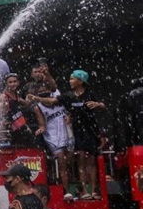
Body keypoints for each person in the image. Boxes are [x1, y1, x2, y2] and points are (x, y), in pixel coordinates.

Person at [30, 69, 107, 199]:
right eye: (70, 78)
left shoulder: (89, 94)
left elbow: (104, 107)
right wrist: (36, 98)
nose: (70, 81)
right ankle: (83, 190)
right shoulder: (68, 95)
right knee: (80, 160)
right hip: (76, 131)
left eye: (72, 79)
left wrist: (98, 104)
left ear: (81, 81)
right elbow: (53, 102)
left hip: (90, 129)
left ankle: (94, 190)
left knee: (91, 161)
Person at [32, 84, 75, 201]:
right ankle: (66, 191)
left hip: (67, 132)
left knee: (69, 163)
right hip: (53, 136)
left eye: (46, 90)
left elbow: (71, 111)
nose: (44, 92)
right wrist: (41, 129)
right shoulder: (38, 107)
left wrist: (70, 116)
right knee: (62, 161)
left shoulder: (59, 99)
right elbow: (42, 124)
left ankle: (71, 187)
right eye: (41, 91)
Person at [0, 73, 44, 147]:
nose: (13, 84)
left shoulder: (16, 95)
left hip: (22, 128)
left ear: (18, 83)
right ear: (6, 84)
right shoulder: (4, 97)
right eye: (10, 82)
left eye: (14, 81)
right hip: (12, 131)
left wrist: (31, 98)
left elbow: (27, 104)